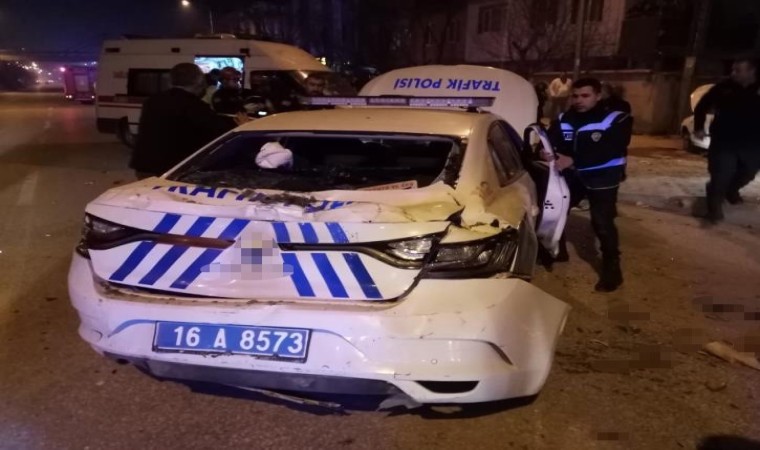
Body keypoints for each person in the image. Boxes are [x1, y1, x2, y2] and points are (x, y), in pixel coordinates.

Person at [547, 78, 633, 292]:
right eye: (575, 96)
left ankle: (612, 268)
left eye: (585, 96)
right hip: (572, 175)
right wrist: (546, 151)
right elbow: (552, 141)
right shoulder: (564, 119)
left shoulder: (616, 118)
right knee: (557, 211)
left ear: (598, 96)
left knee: (602, 222)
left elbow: (612, 148)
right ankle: (558, 250)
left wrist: (573, 159)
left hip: (602, 176)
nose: (579, 100)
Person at [130, 63, 248, 179]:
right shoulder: (194, 106)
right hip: (172, 171)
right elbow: (221, 136)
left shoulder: (152, 100)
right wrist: (244, 126)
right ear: (199, 82)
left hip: (144, 167)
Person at [694, 58, 760, 223]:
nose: (733, 73)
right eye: (733, 70)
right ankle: (714, 209)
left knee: (748, 173)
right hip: (724, 140)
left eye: (738, 70)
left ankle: (731, 190)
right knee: (721, 174)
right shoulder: (723, 88)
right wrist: (699, 127)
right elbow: (702, 105)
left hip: (752, 143)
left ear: (751, 71)